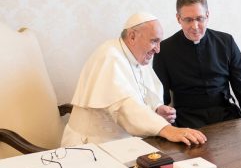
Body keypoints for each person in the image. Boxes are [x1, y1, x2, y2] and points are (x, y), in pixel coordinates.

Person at [62, 12, 207, 147]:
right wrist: (168, 130)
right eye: (154, 41)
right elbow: (124, 106)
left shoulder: (137, 56)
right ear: (132, 37)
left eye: (159, 42)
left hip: (123, 143)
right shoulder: (110, 57)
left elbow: (145, 92)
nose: (158, 50)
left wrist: (156, 109)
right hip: (93, 145)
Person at [153, 0, 241, 128]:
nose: (195, 26)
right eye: (188, 20)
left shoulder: (226, 42)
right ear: (178, 18)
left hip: (226, 114)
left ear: (207, 15)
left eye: (200, 18)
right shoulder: (164, 50)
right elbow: (160, 97)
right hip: (187, 118)